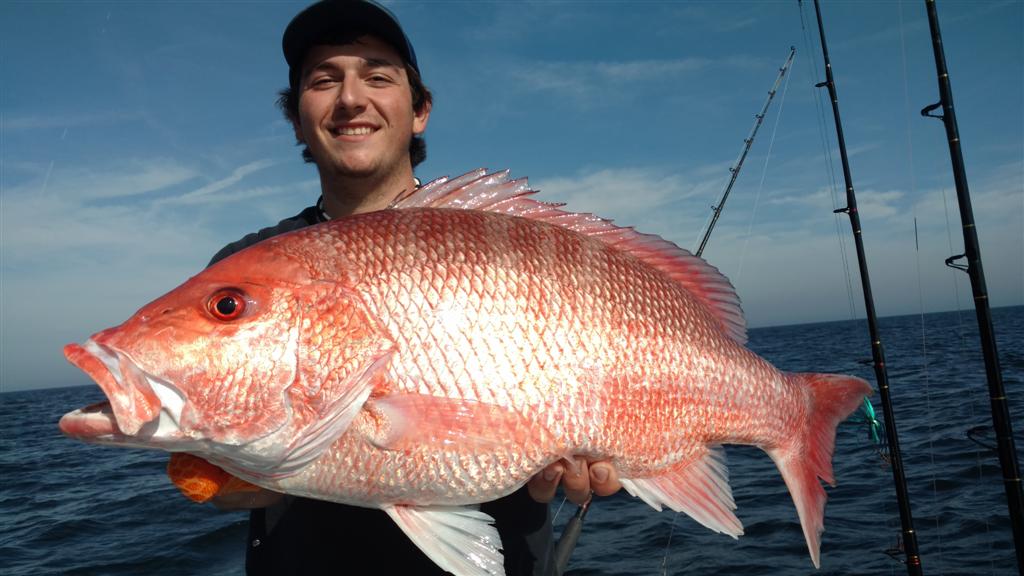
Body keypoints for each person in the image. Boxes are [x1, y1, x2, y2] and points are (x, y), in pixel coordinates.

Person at [207, 1, 621, 574]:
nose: (350, 98)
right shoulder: (246, 267)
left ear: (420, 110)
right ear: (297, 118)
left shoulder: (509, 238)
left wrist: (612, 452)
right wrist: (213, 463)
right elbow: (215, 481)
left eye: (377, 75)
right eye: (323, 80)